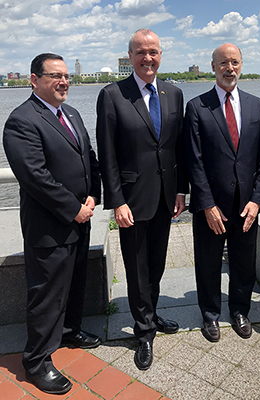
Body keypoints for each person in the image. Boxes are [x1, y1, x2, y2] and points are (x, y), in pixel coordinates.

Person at [3, 53, 101, 394]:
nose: (63, 81)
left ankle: (70, 330)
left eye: (66, 76)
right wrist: (72, 208)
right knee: (46, 293)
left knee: (74, 282)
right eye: (55, 76)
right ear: (34, 79)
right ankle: (37, 361)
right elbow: (35, 176)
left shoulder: (70, 113)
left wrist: (92, 195)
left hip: (80, 217)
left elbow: (88, 156)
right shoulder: (21, 120)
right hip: (50, 225)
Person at [96, 29, 188, 370]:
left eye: (153, 52)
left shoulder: (173, 93)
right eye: (140, 52)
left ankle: (151, 313)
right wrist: (116, 200)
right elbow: (107, 154)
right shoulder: (112, 95)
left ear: (161, 55)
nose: (147, 58)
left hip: (166, 197)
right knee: (136, 269)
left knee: (157, 264)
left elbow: (177, 148)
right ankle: (144, 331)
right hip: (131, 200)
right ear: (130, 57)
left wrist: (181, 190)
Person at [183, 43, 260, 343]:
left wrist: (258, 200)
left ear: (241, 65)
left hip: (246, 204)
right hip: (212, 206)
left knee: (244, 261)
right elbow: (193, 160)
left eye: (234, 62)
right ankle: (210, 315)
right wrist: (206, 204)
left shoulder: (257, 105)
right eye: (223, 63)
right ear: (213, 67)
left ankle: (240, 311)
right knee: (207, 262)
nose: (229, 68)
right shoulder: (196, 107)